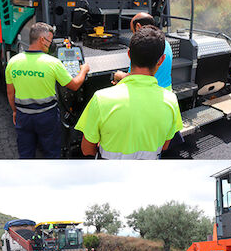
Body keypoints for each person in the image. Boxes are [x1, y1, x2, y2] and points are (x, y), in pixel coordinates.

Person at [75, 26, 183, 159]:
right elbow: (165, 146)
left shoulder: (101, 98)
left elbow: (87, 150)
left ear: (129, 54)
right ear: (161, 60)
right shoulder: (171, 101)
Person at [5, 22, 90, 159]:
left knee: (25, 153)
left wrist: (15, 111)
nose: (50, 44)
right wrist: (83, 70)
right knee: (51, 153)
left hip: (23, 116)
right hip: (47, 117)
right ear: (42, 40)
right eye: (50, 41)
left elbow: (10, 93)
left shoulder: (13, 62)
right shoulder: (53, 63)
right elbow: (74, 85)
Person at [112, 13, 173, 90]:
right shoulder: (165, 43)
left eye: (133, 31)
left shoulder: (142, 47)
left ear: (138, 27)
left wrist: (118, 75)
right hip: (166, 90)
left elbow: (133, 77)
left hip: (149, 92)